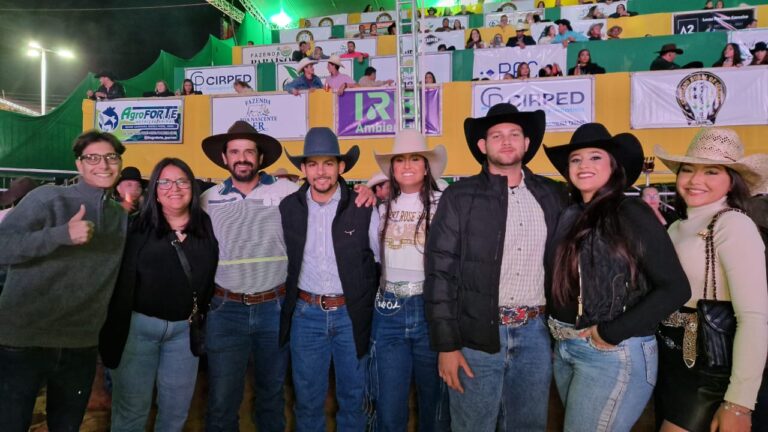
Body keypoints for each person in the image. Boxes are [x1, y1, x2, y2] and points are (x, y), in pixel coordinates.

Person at [425, 103, 567, 431]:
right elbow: (440, 273)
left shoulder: (552, 194)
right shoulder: (459, 196)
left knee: (528, 426)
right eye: (497, 135)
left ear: (526, 143)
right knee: (472, 426)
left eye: (514, 134)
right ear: (482, 145)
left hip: (535, 333)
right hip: (475, 336)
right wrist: (447, 345)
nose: (506, 141)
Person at [543, 124, 690, 431]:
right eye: (576, 159)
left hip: (612, 352)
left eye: (595, 157)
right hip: (567, 347)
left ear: (613, 166)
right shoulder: (570, 214)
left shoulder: (630, 211)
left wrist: (611, 332)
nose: (583, 165)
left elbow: (675, 287)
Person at [0, 130, 128, 431]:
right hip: (24, 341)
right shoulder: (48, 198)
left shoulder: (118, 216)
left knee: (67, 426)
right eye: (92, 158)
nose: (103, 165)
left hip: (80, 344)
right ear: (79, 164)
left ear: (120, 163)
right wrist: (60, 235)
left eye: (111, 157)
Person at [655, 128, 768, 432]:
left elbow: (754, 318)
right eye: (687, 169)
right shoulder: (676, 227)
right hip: (672, 361)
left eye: (711, 171)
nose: (695, 180)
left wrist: (739, 403)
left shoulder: (733, 224)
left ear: (733, 180)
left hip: (709, 370)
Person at [99, 158, 218, 432]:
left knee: (175, 412)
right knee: (131, 412)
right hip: (137, 331)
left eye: (182, 181)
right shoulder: (136, 228)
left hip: (184, 334)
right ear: (154, 190)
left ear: (192, 188)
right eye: (165, 182)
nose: (174, 188)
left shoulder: (207, 228)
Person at [279, 127, 380, 432]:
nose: (320, 172)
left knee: (354, 397)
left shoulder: (363, 206)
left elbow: (379, 260)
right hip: (306, 315)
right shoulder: (289, 207)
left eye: (328, 163)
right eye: (312, 164)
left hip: (351, 315)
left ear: (341, 166)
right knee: (307, 400)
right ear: (303, 169)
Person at [199, 121, 297, 432]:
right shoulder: (208, 199)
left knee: (272, 395)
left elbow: (326, 207)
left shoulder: (288, 192)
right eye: (235, 152)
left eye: (249, 152)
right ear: (224, 158)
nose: (242, 158)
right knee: (222, 400)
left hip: (274, 308)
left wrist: (361, 193)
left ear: (260, 157)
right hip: (225, 311)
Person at [370, 129, 450, 431]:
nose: (406, 165)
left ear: (426, 167)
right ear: (391, 168)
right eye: (399, 159)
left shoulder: (444, 204)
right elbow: (374, 257)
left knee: (435, 403)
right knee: (389, 405)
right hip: (388, 308)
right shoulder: (380, 210)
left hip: (431, 308)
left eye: (415, 158)